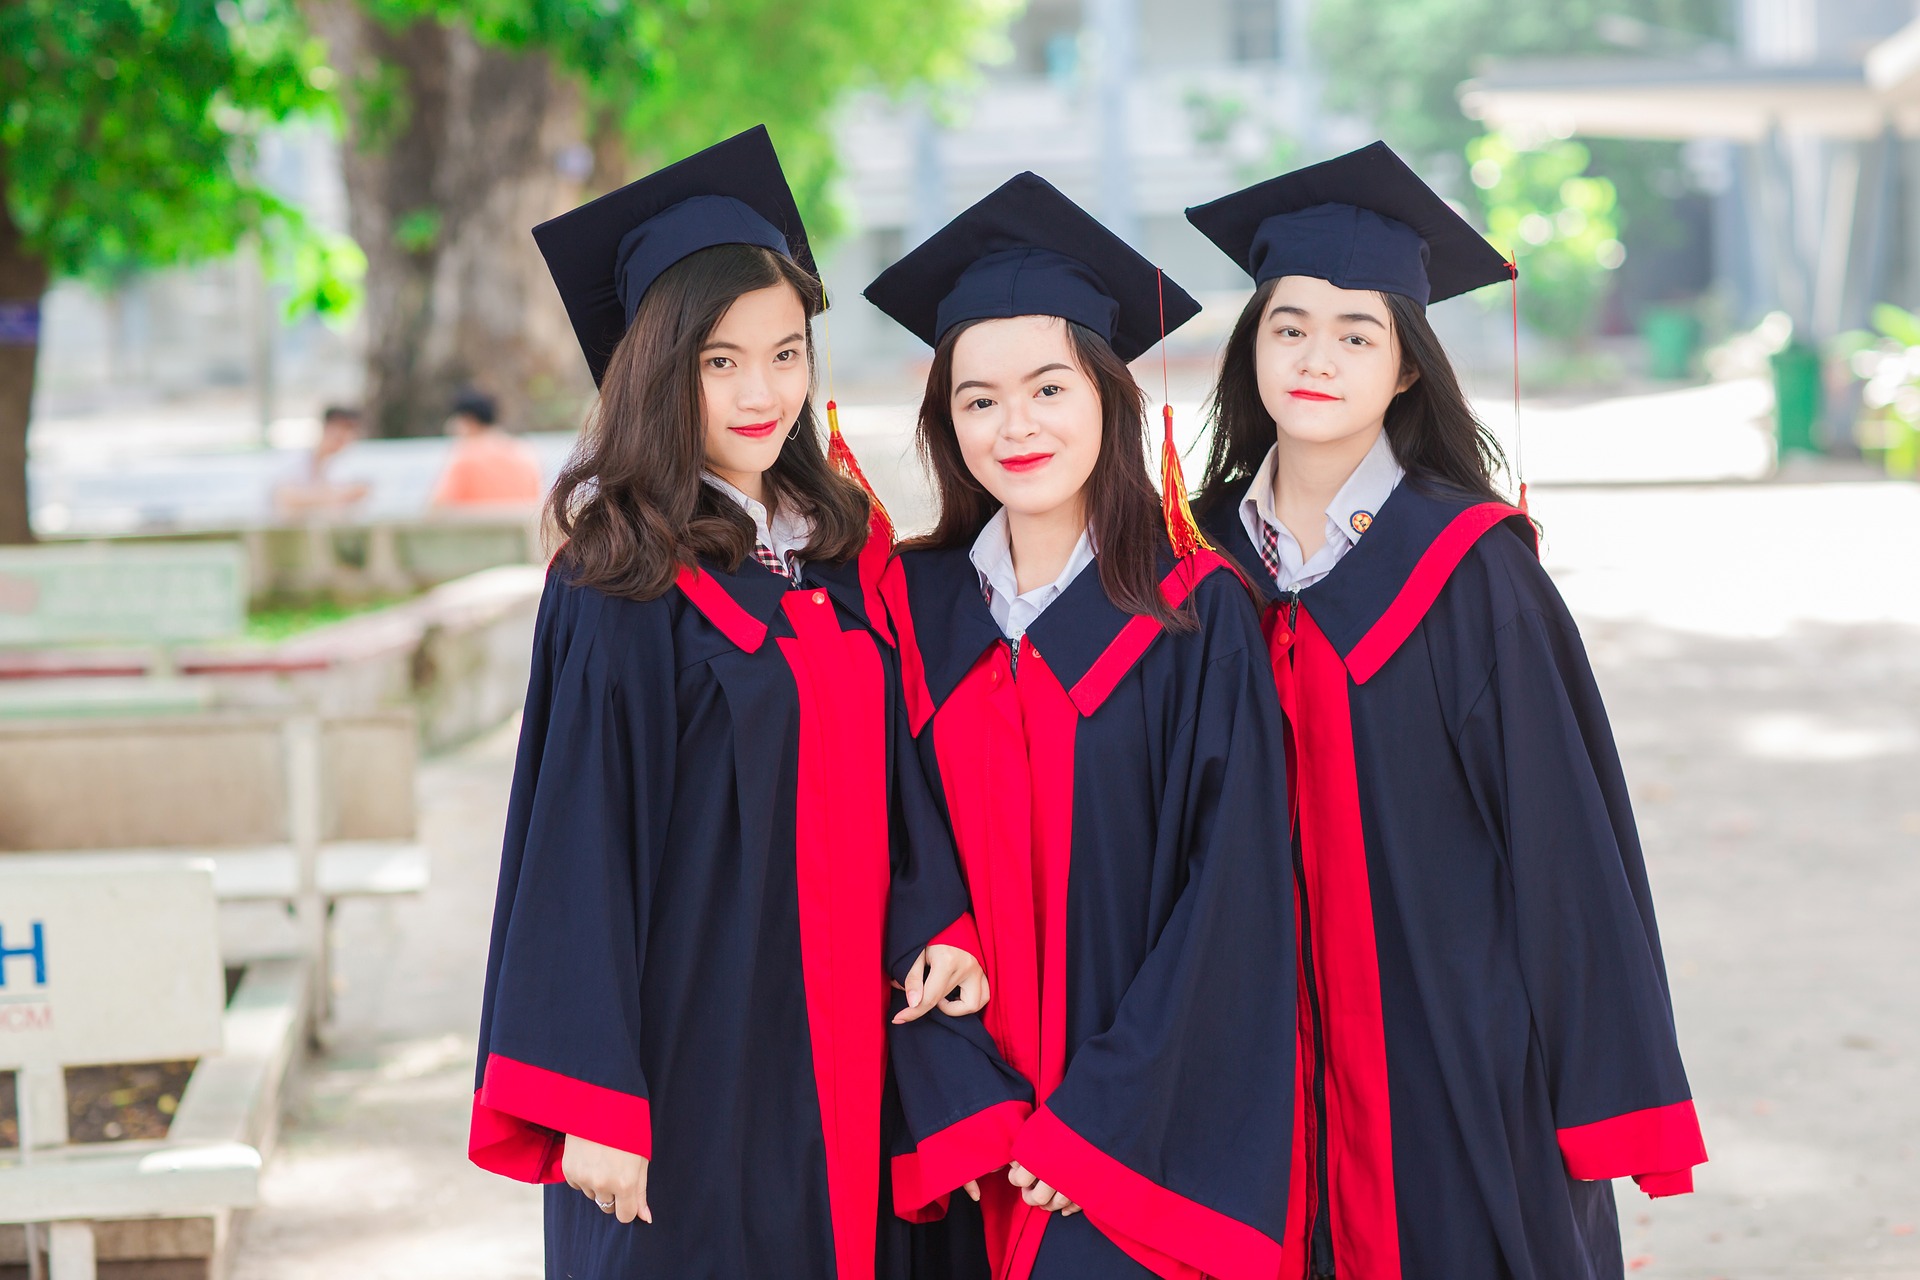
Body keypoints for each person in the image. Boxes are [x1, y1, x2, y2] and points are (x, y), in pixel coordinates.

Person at [467, 125, 987, 1280]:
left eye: (787, 352)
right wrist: (595, 1091)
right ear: (659, 367)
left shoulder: (841, 553)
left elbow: (906, 777)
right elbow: (576, 844)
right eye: (719, 360)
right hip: (693, 1036)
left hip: (854, 1032)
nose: (764, 391)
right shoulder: (618, 577)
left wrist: (938, 919)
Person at [1185, 141, 1708, 1279]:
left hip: (1453, 1055)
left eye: (1356, 333)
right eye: (1289, 325)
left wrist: (1606, 1089)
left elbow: (1567, 843)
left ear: (1407, 367)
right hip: (1252, 1066)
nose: (1316, 356)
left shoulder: (1471, 570)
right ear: (1252, 346)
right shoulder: (1194, 563)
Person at [865, 173, 1297, 1280]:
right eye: (977, 399)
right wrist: (958, 1088)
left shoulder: (1197, 617)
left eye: (1048, 387)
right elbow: (882, 854)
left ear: (1109, 395)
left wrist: (1103, 1121)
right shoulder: (910, 610)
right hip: (961, 1127)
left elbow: (1231, 897)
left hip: (1138, 1138)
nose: (1014, 425)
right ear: (942, 420)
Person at [429, 389, 546, 508]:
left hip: (477, 525)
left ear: (468, 420)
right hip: (519, 525)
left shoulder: (466, 457)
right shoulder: (524, 452)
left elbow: (438, 507)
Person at [273, 403, 371, 516]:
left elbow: (360, 492)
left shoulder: (344, 464)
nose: (344, 435)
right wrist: (332, 496)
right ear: (326, 427)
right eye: (341, 428)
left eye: (350, 430)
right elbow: (285, 498)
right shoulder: (296, 459)